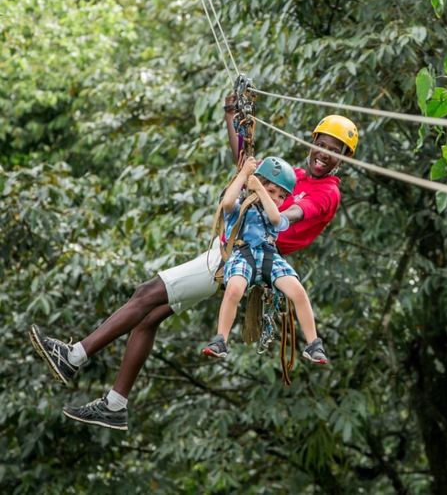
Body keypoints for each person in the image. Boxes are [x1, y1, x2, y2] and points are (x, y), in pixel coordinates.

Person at [28, 98, 358, 431]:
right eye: (321, 145)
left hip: (237, 258)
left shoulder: (327, 192)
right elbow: (245, 165)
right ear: (312, 142)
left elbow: (291, 215)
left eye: (335, 151)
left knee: (145, 293)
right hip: (231, 252)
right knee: (149, 317)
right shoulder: (295, 176)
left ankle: (73, 356)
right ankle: (115, 405)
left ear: (343, 159)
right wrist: (232, 115)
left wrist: (264, 198)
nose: (324, 153)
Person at [201, 155, 327, 364]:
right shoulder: (240, 207)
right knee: (234, 289)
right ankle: (221, 339)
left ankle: (313, 343)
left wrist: (260, 189)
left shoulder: (276, 214)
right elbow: (227, 202)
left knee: (298, 291)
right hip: (243, 254)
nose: (276, 198)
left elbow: (275, 218)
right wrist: (244, 174)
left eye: (281, 196)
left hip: (269, 257)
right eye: (272, 191)